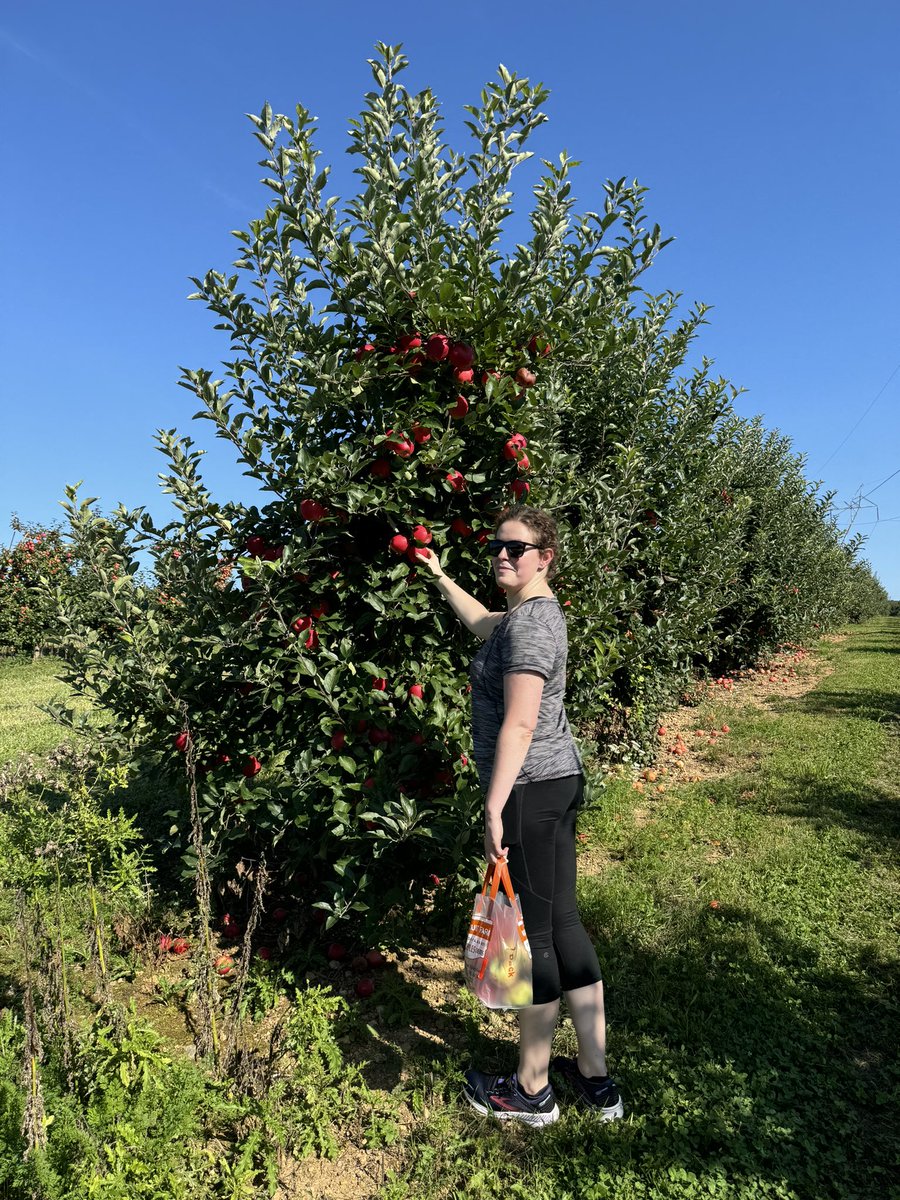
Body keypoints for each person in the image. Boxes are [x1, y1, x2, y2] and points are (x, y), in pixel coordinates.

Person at [422, 504, 624, 1127]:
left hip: (528, 790)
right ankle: (596, 1079)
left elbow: (521, 719)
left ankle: (531, 1090)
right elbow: (486, 624)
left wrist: (493, 803)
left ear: (545, 558)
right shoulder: (524, 617)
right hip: (554, 782)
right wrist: (439, 575)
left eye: (518, 546)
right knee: (563, 924)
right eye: (497, 545)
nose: (503, 553)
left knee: (536, 942)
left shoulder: (532, 626)